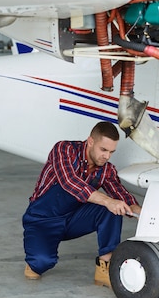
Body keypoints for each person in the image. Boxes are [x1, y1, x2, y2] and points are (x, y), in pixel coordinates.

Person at [22, 121, 141, 288]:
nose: (107, 156)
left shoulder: (106, 169)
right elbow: (69, 182)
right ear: (90, 141)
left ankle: (104, 267)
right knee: (40, 264)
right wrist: (107, 200)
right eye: (103, 150)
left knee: (113, 209)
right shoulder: (64, 150)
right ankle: (36, 260)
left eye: (111, 152)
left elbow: (119, 193)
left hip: (73, 219)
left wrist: (137, 210)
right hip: (42, 219)